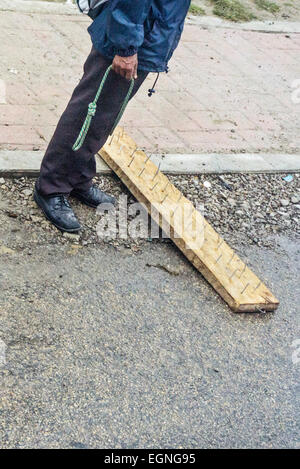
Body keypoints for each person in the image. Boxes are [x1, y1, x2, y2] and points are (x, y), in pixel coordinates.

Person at [34, 0, 191, 232]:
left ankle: (77, 177)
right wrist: (126, 47)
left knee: (103, 117)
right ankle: (51, 186)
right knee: (88, 112)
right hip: (134, 36)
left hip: (148, 33)